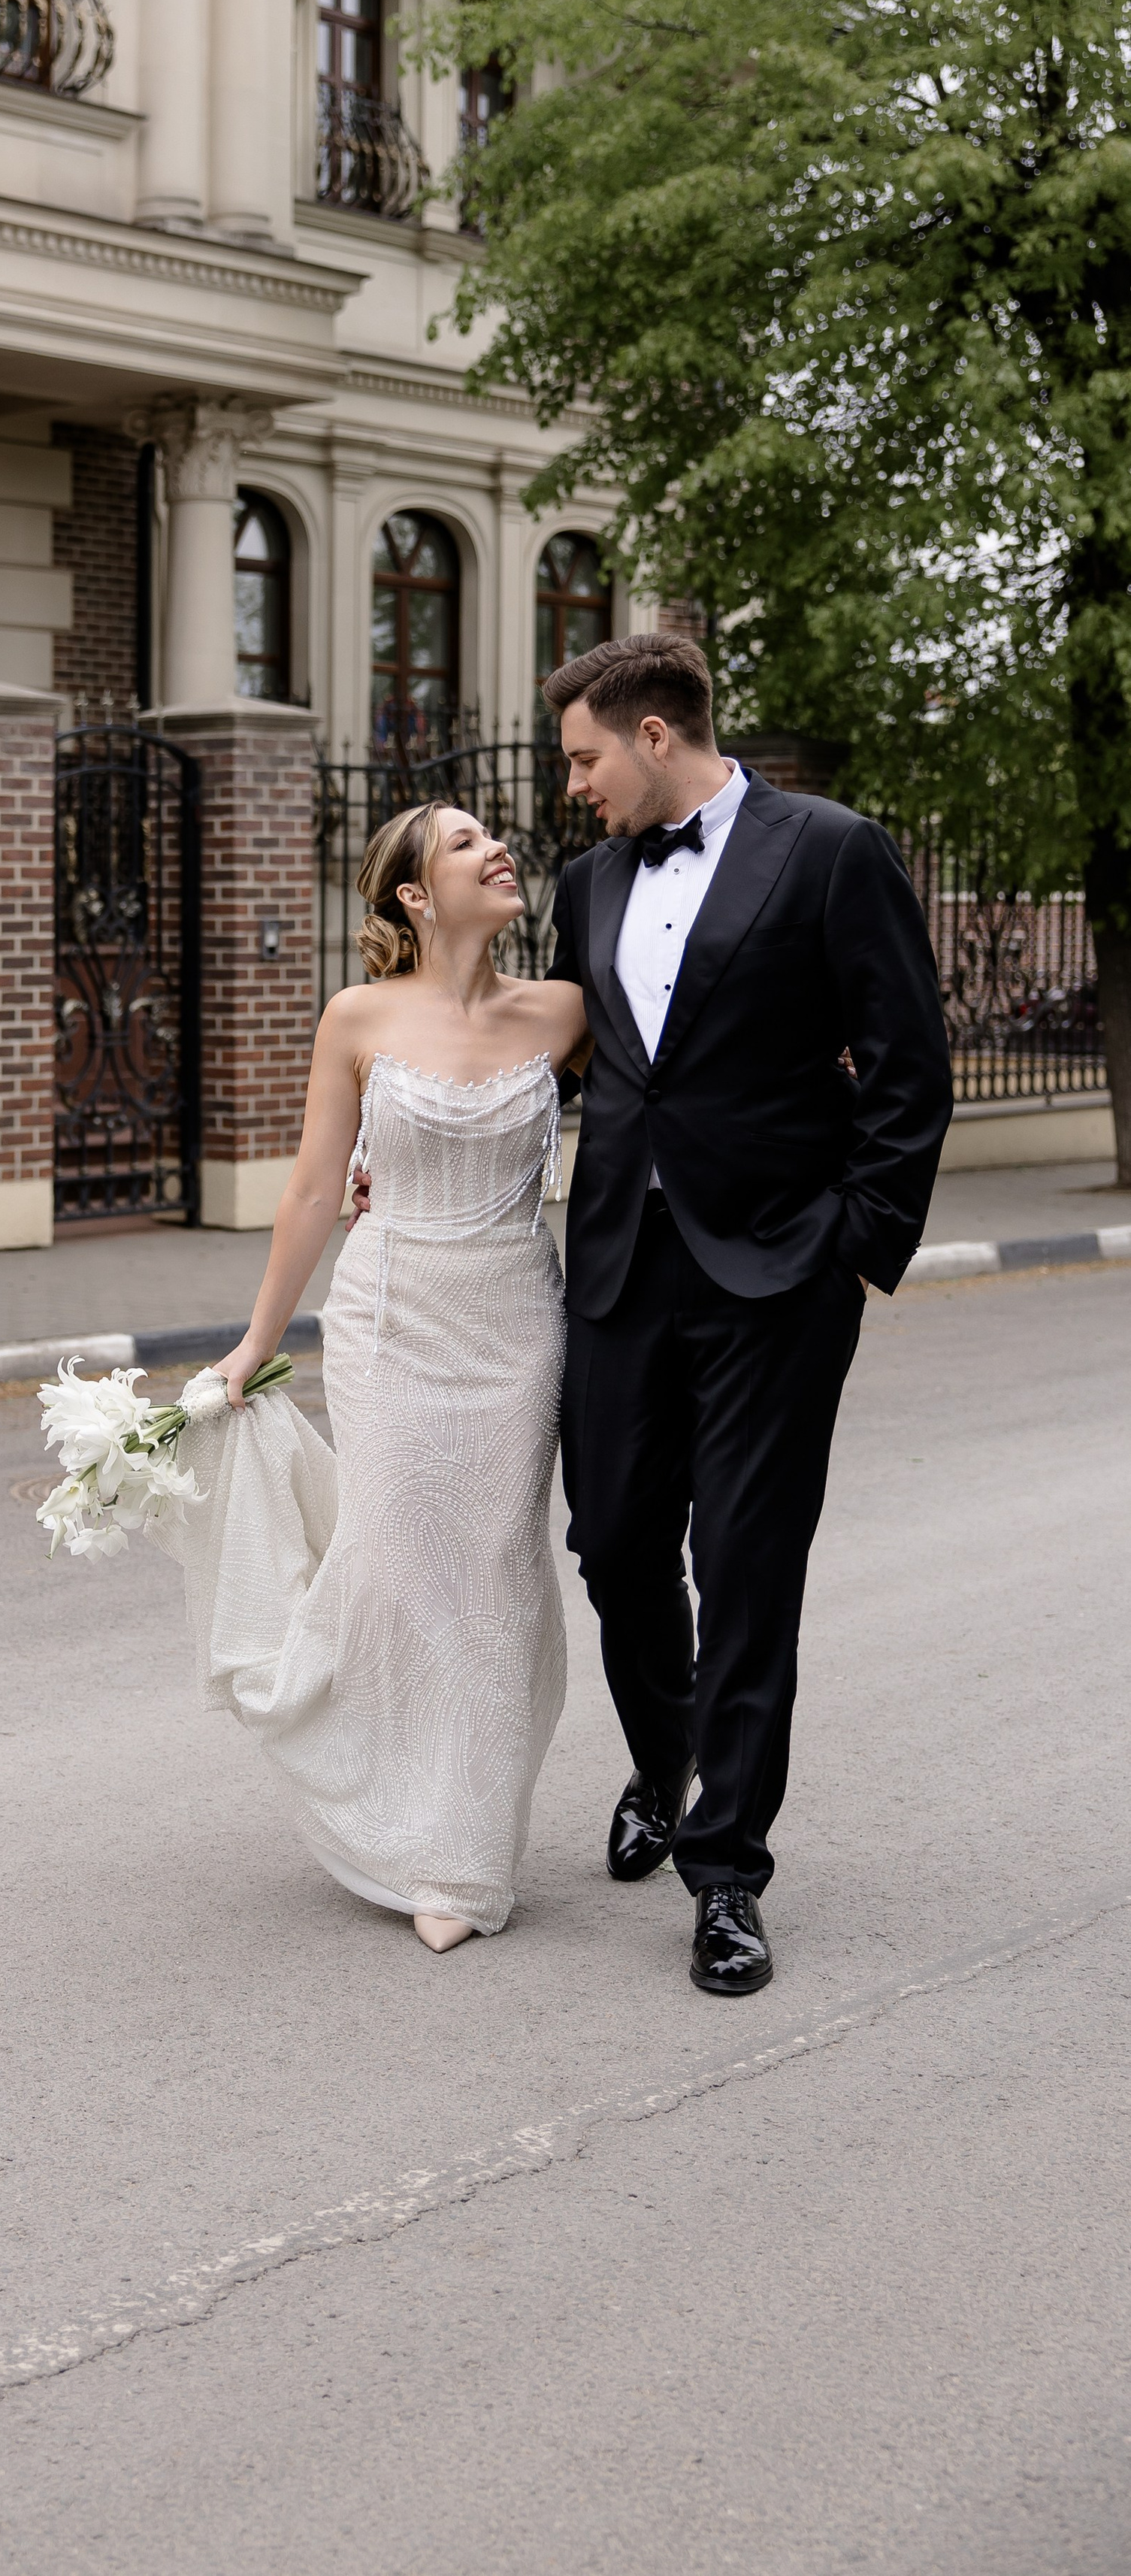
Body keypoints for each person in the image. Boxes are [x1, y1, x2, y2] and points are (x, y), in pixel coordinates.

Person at [540, 632, 953, 1994]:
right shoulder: (586, 879)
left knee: (748, 1567)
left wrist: (853, 1247)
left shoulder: (830, 849)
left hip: (778, 1273)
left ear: (655, 736)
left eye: (587, 759)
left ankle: (725, 1868)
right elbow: (573, 1072)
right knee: (609, 1542)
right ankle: (667, 1763)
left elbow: (909, 1068)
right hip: (616, 1269)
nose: (577, 788)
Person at [159, 799, 589, 1953]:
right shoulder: (355, 1017)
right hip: (390, 1318)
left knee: (497, 1570)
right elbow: (311, 1189)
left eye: (495, 835)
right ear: (411, 893)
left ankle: (462, 1852)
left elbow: (682, 1093)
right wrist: (257, 1341)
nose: (497, 848)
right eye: (464, 842)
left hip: (515, 1320)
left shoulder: (563, 1011)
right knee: (401, 1565)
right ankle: (387, 1792)